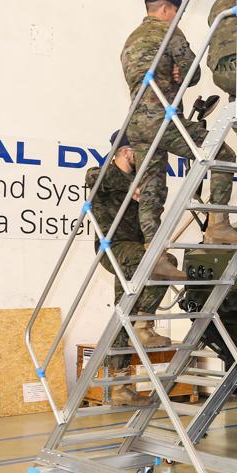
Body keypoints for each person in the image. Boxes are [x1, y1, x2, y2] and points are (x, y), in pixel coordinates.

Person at [122, 0, 237, 245]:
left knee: (151, 186)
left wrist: (175, 74)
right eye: (176, 13)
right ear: (166, 9)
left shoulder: (130, 41)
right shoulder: (169, 33)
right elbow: (194, 72)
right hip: (163, 120)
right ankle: (219, 225)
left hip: (136, 125)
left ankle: (150, 246)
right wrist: (183, 75)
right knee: (222, 154)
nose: (177, 18)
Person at [85, 131, 184, 405]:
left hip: (136, 250)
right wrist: (133, 187)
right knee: (166, 265)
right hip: (114, 248)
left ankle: (119, 386)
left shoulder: (142, 182)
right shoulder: (102, 176)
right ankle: (144, 323)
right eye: (140, 152)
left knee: (121, 314)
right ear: (128, 152)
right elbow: (94, 177)